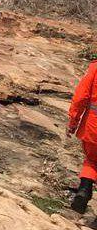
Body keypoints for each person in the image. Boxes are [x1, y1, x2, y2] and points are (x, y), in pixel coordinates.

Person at [68, 59, 97, 214]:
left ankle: (84, 190)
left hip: (94, 127)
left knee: (92, 161)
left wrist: (73, 122)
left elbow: (80, 97)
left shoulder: (95, 68)